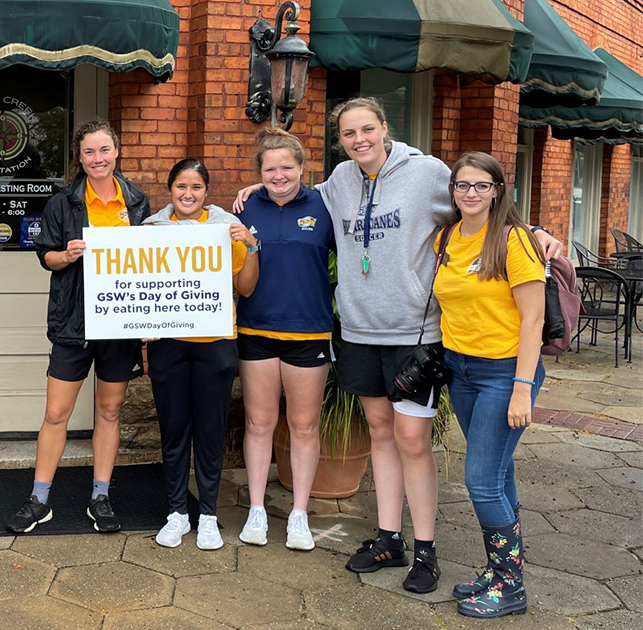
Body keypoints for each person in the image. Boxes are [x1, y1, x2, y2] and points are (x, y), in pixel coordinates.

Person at [234, 97, 561, 594]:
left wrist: (533, 230)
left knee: (412, 442)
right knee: (380, 434)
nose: (359, 139)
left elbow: (478, 202)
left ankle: (426, 550)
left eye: (367, 129)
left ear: (385, 128)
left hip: (416, 336)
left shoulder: (427, 173)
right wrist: (260, 186)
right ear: (340, 141)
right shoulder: (339, 183)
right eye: (348, 133)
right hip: (361, 330)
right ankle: (389, 537)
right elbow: (294, 189)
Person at [6, 119, 150, 535]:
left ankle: (100, 496)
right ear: (80, 157)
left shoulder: (138, 202)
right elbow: (45, 257)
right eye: (89, 152)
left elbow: (152, 265)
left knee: (109, 410)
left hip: (119, 323)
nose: (98, 159)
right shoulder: (63, 202)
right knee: (56, 413)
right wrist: (66, 255)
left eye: (104, 150)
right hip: (73, 322)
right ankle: (39, 499)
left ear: (117, 151)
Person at [435, 152, 544, 618]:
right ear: (453, 190)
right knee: (500, 474)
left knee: (480, 481)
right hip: (461, 369)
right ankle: (500, 571)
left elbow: (533, 318)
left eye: (481, 185)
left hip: (504, 372)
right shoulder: (448, 237)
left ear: (497, 189)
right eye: (463, 185)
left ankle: (511, 587)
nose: (471, 193)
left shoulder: (514, 240)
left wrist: (522, 387)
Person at [142, 159, 253, 550]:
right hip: (168, 344)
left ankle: (207, 514)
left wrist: (250, 246)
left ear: (207, 192)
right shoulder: (150, 231)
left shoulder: (225, 231)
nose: (188, 194)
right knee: (174, 432)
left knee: (209, 432)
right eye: (180, 187)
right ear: (169, 190)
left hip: (216, 344)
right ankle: (176, 513)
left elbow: (247, 286)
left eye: (196, 188)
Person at [234, 129, 333, 552]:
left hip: (308, 331)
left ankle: (299, 515)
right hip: (255, 330)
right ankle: (256, 509)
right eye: (269, 168)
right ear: (258, 172)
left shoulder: (325, 205)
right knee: (259, 424)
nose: (278, 175)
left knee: (304, 426)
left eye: (286, 167)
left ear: (301, 168)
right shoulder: (242, 210)